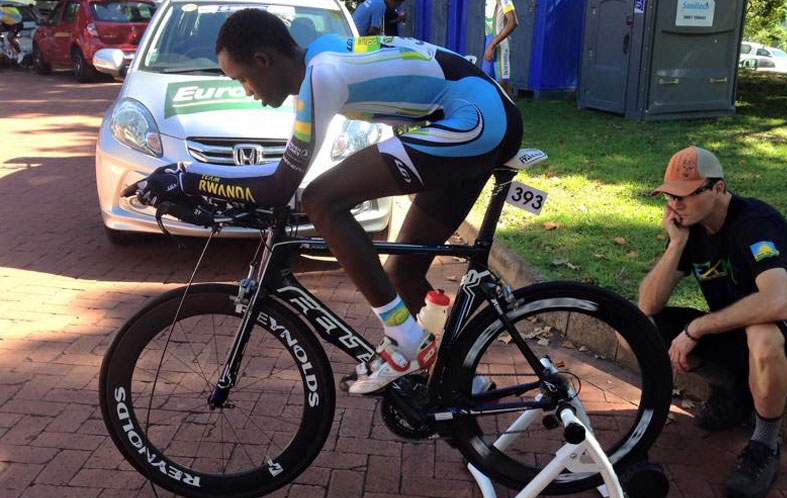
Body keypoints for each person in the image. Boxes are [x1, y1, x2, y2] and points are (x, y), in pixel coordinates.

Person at [133, 9, 523, 395]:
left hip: (475, 118)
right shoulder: (320, 59)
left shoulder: (322, 75)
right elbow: (277, 177)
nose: (246, 92)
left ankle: (406, 341)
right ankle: (462, 385)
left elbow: (279, 187)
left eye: (243, 80)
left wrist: (187, 179)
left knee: (321, 199)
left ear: (263, 60)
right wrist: (186, 175)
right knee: (402, 273)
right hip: (478, 114)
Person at [638, 145, 787, 498]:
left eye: (684, 196)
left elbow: (777, 302)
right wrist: (675, 245)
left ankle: (765, 446)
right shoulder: (691, 228)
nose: (675, 205)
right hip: (740, 339)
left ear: (718, 189)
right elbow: (648, 302)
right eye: (669, 196)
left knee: (763, 330)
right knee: (647, 324)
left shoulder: (755, 224)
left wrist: (697, 329)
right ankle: (735, 392)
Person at [482, 0, 518, 97]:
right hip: (490, 42)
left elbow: (513, 22)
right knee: (486, 85)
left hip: (498, 45)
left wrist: (492, 44)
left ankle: (510, 112)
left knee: (503, 89)